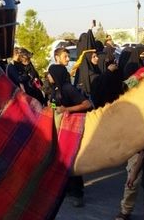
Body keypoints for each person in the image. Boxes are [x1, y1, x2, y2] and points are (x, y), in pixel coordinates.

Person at [47, 63, 92, 208]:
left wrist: (67, 109)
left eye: (50, 74)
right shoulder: (55, 89)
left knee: (71, 160)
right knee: (62, 160)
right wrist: (51, 107)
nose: (48, 76)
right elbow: (56, 106)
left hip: (72, 128)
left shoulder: (67, 88)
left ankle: (78, 193)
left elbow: (87, 104)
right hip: (61, 128)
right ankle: (67, 189)